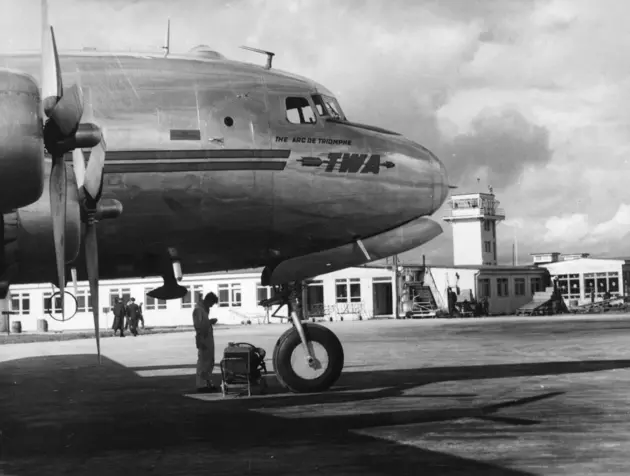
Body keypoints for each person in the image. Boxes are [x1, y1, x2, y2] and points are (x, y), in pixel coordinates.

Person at [193, 292, 219, 393]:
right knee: (203, 362)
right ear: (208, 300)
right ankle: (201, 384)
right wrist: (210, 322)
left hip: (207, 338)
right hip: (203, 338)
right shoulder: (199, 310)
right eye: (211, 304)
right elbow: (199, 326)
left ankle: (207, 383)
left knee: (209, 362)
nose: (211, 306)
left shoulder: (203, 309)